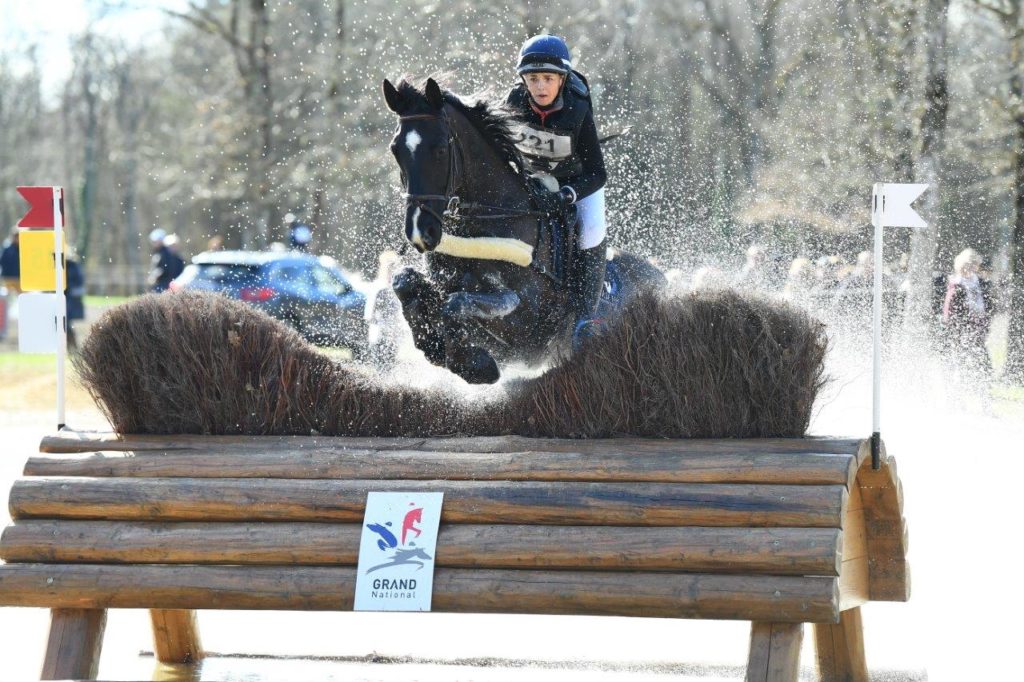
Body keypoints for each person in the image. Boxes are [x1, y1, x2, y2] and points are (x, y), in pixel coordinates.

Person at [505, 34, 607, 340]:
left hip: (577, 184)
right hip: (532, 183)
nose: (540, 87)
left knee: (590, 230)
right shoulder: (513, 105)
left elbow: (598, 174)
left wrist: (566, 195)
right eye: (533, 78)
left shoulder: (577, 110)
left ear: (562, 79)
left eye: (548, 78)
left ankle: (586, 318)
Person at [942, 248, 993, 376]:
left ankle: (983, 380)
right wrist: (953, 327)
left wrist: (986, 321)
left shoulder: (981, 282)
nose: (971, 268)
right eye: (968, 265)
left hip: (980, 323)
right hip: (962, 326)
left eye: (974, 265)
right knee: (961, 355)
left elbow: (990, 304)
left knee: (980, 353)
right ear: (961, 265)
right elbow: (949, 309)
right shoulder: (955, 283)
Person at [147, 229, 178, 293]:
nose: (154, 243)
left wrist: (153, 277)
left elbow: (164, 269)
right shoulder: (159, 252)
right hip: (163, 284)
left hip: (164, 285)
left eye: (155, 241)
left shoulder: (164, 253)